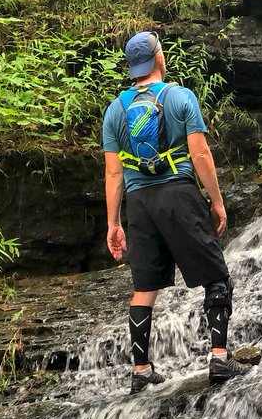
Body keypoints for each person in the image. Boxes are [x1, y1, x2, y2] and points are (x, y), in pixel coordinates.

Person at [102, 31, 251, 393]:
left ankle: (141, 369)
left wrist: (113, 223)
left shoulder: (115, 111)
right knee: (216, 275)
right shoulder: (180, 97)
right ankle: (218, 356)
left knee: (144, 287)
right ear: (158, 59)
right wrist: (216, 201)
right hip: (179, 196)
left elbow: (112, 172)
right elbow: (200, 155)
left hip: (140, 203)